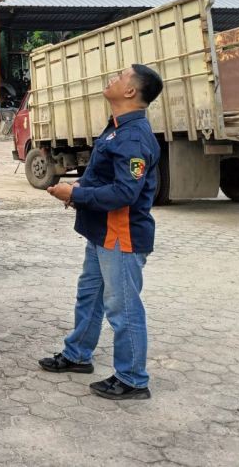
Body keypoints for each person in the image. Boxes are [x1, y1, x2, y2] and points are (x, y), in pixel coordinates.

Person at [39, 64, 164, 400]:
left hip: (120, 236)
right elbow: (105, 179)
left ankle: (133, 379)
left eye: (121, 75)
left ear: (131, 92)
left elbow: (126, 193)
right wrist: (80, 185)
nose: (113, 77)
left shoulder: (134, 137)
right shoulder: (116, 129)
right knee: (90, 297)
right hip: (101, 233)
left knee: (122, 309)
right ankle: (78, 354)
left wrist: (76, 195)